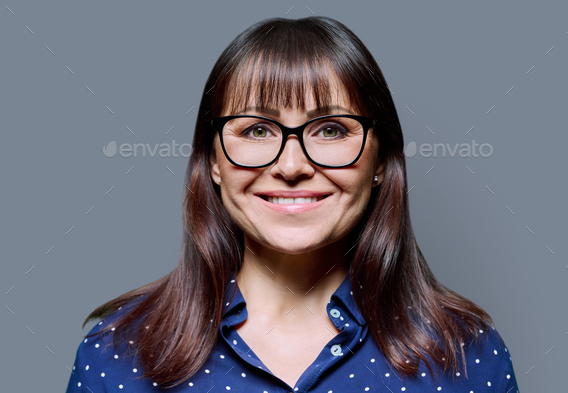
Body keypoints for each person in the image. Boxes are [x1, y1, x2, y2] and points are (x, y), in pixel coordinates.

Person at [66, 16, 519, 393]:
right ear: (213, 162)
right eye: (257, 130)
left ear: (380, 160)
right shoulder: (116, 353)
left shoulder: (468, 355)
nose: (291, 165)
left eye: (331, 130)